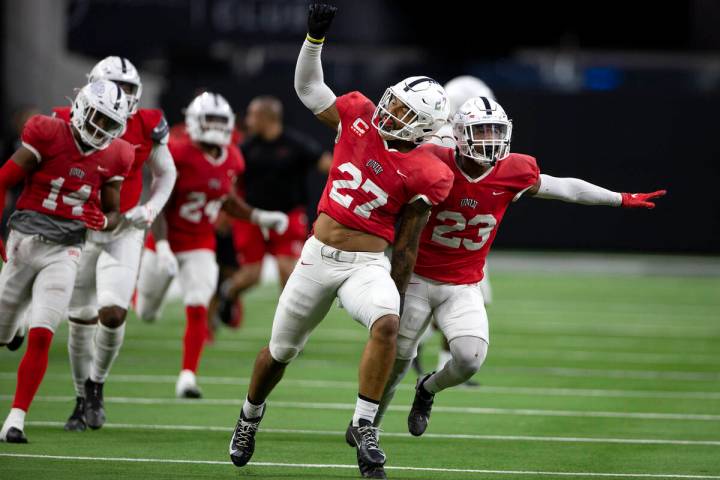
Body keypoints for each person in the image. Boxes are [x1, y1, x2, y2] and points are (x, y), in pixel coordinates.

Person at [227, 4, 454, 479]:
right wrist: (314, 39)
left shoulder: (429, 171)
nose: (389, 112)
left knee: (387, 323)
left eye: (402, 112)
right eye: (392, 102)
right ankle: (249, 417)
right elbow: (309, 88)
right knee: (280, 352)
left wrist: (401, 291)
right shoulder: (357, 115)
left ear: (423, 127)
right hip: (316, 255)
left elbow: (407, 243)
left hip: (365, 263)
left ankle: (365, 425)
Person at [370, 96, 666, 440]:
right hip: (418, 278)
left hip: (464, 284)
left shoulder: (514, 170)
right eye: (481, 131)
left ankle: (427, 389)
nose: (490, 140)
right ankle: (369, 426)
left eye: (496, 130)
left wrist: (620, 197)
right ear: (460, 135)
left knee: (469, 359)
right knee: (396, 361)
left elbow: (565, 187)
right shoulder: (434, 160)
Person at [0, 80, 134, 443]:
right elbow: (4, 179)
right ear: (79, 109)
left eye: (109, 124)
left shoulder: (116, 154)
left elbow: (114, 214)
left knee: (43, 335)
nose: (101, 130)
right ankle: (13, 330)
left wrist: (104, 222)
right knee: (2, 332)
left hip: (66, 249)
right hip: (25, 241)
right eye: (97, 119)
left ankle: (15, 419)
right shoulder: (46, 132)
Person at [134, 92, 288, 398]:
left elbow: (225, 198)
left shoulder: (232, 156)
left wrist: (260, 217)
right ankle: (138, 294)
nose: (216, 126)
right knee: (147, 312)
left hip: (201, 243)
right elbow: (160, 203)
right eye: (210, 119)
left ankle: (187, 377)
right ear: (194, 121)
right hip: (165, 240)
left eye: (221, 120)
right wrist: (162, 245)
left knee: (198, 304)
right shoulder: (176, 152)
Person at [53, 56, 178, 432]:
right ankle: (80, 397)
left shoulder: (145, 125)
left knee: (112, 313)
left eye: (127, 90)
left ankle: (96, 385)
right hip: (78, 230)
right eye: (114, 88)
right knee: (79, 319)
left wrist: (150, 209)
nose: (119, 98)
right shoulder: (64, 122)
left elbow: (166, 172)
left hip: (123, 229)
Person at [214, 95, 331, 329]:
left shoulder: (295, 144)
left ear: (266, 118)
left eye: (252, 115)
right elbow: (230, 180)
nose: (247, 120)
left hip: (288, 215)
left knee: (288, 271)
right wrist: (225, 212)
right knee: (251, 276)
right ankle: (229, 292)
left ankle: (290, 326)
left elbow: (327, 163)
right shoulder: (246, 148)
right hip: (253, 217)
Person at [413, 75, 497, 381]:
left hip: (466, 244)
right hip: (433, 243)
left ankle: (442, 360)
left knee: (468, 306)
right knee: (422, 309)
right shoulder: (439, 140)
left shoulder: (480, 145)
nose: (489, 133)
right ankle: (419, 351)